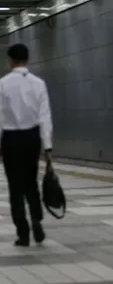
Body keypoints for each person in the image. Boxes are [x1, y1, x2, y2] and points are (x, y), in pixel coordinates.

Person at [0, 43, 53, 247]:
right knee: (31, 183)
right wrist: (47, 146)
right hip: (32, 138)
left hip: (11, 139)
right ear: (27, 59)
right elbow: (45, 116)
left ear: (10, 61)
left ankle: (23, 233)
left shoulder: (3, 83)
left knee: (15, 187)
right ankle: (37, 220)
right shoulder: (39, 83)